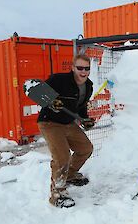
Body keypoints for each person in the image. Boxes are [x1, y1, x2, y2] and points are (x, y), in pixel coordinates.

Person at [38, 54, 95, 208]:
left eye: (86, 68)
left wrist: (85, 120)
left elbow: (81, 107)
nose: (83, 71)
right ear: (72, 68)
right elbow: (37, 91)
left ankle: (68, 175)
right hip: (50, 123)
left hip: (68, 123)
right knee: (62, 157)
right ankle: (57, 194)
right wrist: (50, 102)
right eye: (80, 68)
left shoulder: (88, 86)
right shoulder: (59, 79)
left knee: (85, 149)